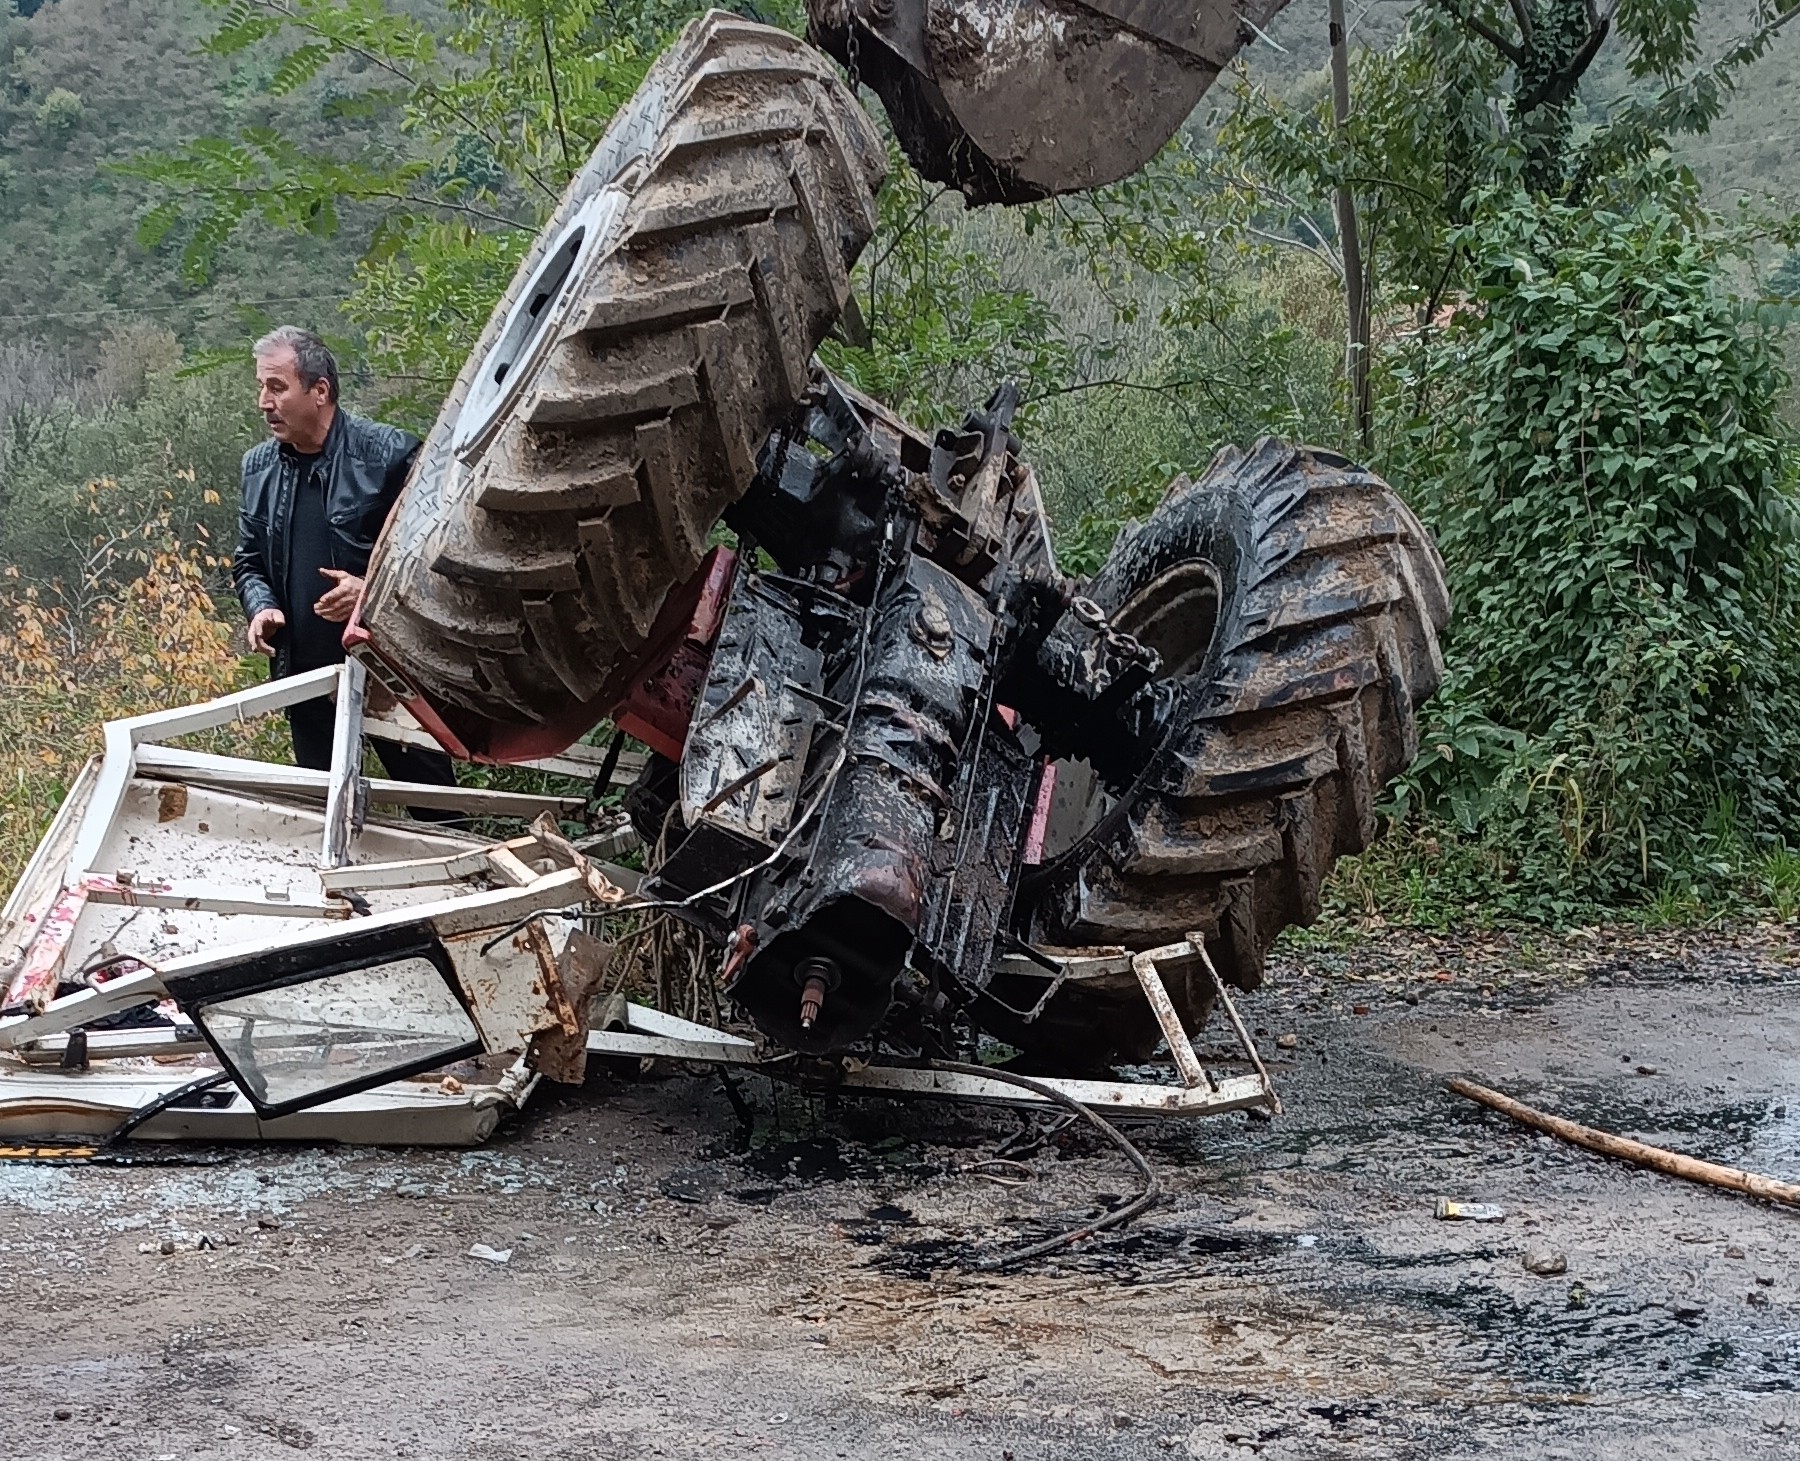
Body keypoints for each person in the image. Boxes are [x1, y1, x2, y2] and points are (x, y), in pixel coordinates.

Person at [232, 325, 459, 802]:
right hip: (306, 680)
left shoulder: (391, 455)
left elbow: (437, 557)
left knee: (437, 808)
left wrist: (368, 592)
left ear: (320, 391)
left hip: (389, 675)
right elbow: (249, 560)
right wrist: (261, 606)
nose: (263, 402)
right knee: (324, 813)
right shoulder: (258, 467)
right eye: (261, 387)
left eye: (276, 387)